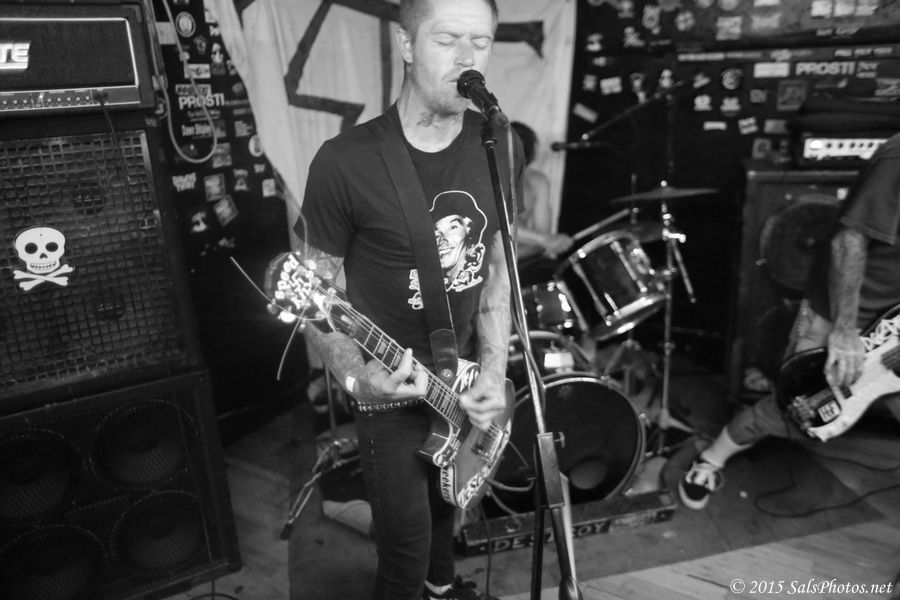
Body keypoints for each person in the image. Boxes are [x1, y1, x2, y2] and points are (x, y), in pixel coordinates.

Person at [268, 1, 521, 598]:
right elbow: (317, 298)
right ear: (406, 45)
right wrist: (359, 380)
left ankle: (443, 589)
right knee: (403, 556)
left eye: (481, 41)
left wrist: (492, 371)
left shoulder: (498, 144)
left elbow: (496, 270)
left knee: (444, 526)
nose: (467, 58)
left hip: (461, 381)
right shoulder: (345, 162)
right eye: (447, 39)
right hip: (389, 391)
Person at [679, 131, 900, 510]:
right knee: (796, 409)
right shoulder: (897, 159)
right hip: (847, 314)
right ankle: (711, 459)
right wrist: (844, 330)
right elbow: (848, 242)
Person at [509, 121, 573, 261]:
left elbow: (543, 239)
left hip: (515, 260)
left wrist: (509, 261)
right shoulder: (481, 178)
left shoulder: (537, 181)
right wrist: (542, 239)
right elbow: (495, 224)